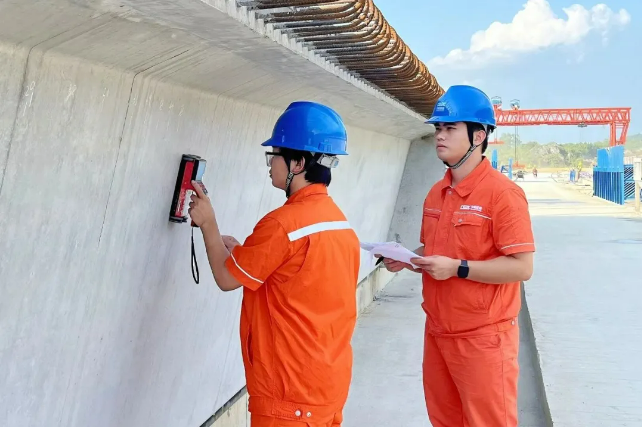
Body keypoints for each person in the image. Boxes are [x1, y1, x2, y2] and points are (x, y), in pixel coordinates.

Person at [188, 101, 360, 427]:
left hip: (288, 397)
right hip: (327, 388)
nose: (270, 165)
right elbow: (297, 279)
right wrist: (244, 252)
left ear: (298, 162)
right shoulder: (338, 223)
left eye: (275, 155)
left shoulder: (283, 224)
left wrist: (208, 223)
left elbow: (226, 278)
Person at [379, 85, 535, 427]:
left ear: (478, 136)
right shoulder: (437, 193)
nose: (440, 135)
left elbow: (522, 267)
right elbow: (435, 251)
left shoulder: (503, 195)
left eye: (450, 128)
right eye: (438, 128)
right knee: (445, 420)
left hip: (483, 339)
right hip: (438, 332)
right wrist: (408, 259)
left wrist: (458, 269)